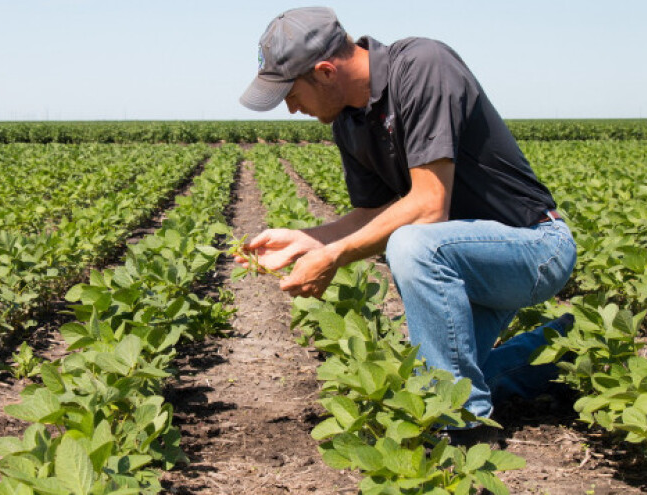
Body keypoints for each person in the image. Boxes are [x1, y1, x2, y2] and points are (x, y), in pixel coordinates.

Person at [236, 6, 577, 441]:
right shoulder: (348, 122)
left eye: (290, 93)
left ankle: (465, 430)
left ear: (324, 72)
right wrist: (307, 240)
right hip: (462, 260)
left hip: (532, 246)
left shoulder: (423, 66)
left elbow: (429, 206)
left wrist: (334, 255)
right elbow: (371, 213)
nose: (290, 108)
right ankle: (569, 350)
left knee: (412, 245)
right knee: (432, 384)